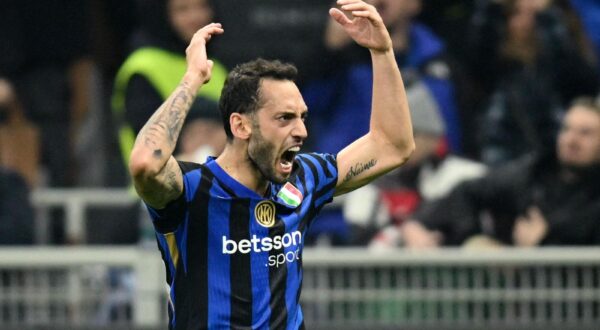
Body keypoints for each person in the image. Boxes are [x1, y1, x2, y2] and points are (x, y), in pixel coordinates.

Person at [129, 0, 415, 328]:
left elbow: (393, 146)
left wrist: (382, 52)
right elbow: (144, 164)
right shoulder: (191, 189)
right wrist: (192, 80)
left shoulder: (304, 177)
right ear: (240, 126)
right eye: (284, 118)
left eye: (302, 118)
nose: (301, 131)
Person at [402, 96, 600, 248]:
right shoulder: (535, 172)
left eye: (585, 133)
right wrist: (419, 224)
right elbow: (468, 192)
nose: (571, 140)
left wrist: (545, 243)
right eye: (566, 129)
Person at [112, 0, 227, 173]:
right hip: (158, 192)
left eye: (202, 6)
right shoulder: (143, 67)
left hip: (215, 189)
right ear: (162, 14)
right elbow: (148, 147)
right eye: (182, 9)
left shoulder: (216, 68)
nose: (195, 17)